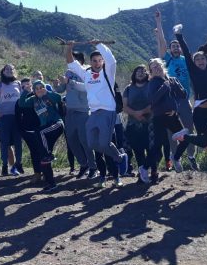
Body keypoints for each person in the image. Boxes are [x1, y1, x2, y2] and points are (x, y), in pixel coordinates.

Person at [64, 39, 129, 187]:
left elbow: (112, 60)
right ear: (90, 62)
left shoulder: (108, 72)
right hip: (93, 112)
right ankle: (120, 157)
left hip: (108, 111)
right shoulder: (86, 73)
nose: (97, 63)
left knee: (104, 143)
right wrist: (69, 47)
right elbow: (71, 63)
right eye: (94, 60)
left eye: (100, 60)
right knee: (92, 143)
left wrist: (98, 44)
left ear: (103, 62)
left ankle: (119, 159)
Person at [170, 23, 207, 179]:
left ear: (206, 60)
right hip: (200, 111)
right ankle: (182, 143)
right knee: (203, 142)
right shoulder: (193, 69)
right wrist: (179, 36)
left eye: (203, 58)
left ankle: (190, 138)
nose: (201, 61)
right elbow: (187, 52)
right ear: (194, 63)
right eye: (198, 60)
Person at [154, 10, 198, 170]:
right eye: (173, 46)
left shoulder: (187, 60)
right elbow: (162, 44)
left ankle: (191, 156)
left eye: (177, 45)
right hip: (170, 101)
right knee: (171, 131)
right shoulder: (167, 60)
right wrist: (158, 23)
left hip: (184, 100)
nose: (175, 47)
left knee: (189, 128)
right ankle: (175, 157)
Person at [18, 80, 66, 191]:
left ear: (44, 88)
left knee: (40, 133)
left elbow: (58, 98)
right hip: (45, 130)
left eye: (41, 87)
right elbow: (21, 103)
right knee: (43, 156)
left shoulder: (48, 96)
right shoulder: (33, 100)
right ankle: (51, 183)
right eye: (37, 88)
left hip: (56, 124)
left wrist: (47, 93)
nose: (39, 90)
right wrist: (25, 91)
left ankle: (48, 155)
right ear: (34, 91)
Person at [146, 58, 188, 183]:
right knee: (157, 145)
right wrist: (164, 87)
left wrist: (175, 108)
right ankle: (151, 171)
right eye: (154, 67)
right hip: (159, 117)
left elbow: (183, 96)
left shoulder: (171, 80)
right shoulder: (152, 83)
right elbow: (152, 100)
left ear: (163, 66)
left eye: (158, 65)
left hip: (173, 116)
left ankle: (175, 158)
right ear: (151, 71)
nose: (157, 68)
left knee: (186, 138)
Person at [54, 55, 93, 178]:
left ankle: (93, 166)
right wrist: (57, 85)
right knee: (71, 141)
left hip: (83, 111)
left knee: (85, 141)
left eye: (73, 60)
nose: (69, 62)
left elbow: (85, 88)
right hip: (69, 112)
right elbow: (62, 89)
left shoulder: (87, 72)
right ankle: (83, 164)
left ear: (80, 62)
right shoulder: (68, 73)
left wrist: (69, 81)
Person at [0, 64, 24, 176]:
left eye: (11, 69)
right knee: (4, 142)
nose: (9, 71)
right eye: (7, 69)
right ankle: (4, 165)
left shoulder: (18, 83)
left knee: (18, 142)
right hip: (4, 117)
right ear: (3, 71)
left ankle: (18, 163)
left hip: (17, 117)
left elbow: (23, 99)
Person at [123, 65, 153, 182]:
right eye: (138, 71)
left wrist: (143, 112)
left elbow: (154, 102)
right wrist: (136, 114)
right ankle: (142, 175)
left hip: (149, 123)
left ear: (147, 74)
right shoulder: (129, 88)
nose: (140, 73)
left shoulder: (151, 86)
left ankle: (151, 171)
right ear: (134, 74)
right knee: (138, 151)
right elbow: (125, 107)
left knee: (152, 150)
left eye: (143, 71)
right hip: (133, 124)